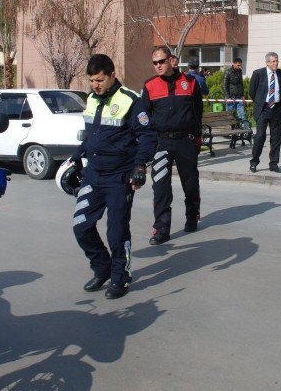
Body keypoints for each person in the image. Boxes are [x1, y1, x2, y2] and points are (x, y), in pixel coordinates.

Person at [69, 54, 157, 299]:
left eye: (99, 80)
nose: (95, 85)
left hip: (119, 178)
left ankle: (120, 278)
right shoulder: (92, 100)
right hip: (93, 175)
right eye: (91, 81)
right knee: (81, 226)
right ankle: (102, 268)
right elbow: (91, 137)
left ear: (111, 75)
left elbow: (148, 136)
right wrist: (76, 158)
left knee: (116, 232)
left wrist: (140, 166)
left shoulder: (130, 100)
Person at [142, 46, 203, 245]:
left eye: (161, 61)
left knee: (190, 184)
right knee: (160, 187)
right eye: (155, 63)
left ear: (171, 60)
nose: (158, 65)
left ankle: (192, 216)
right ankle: (161, 229)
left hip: (186, 141)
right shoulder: (149, 86)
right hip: (162, 143)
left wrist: (197, 139)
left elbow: (197, 112)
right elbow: (145, 117)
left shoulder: (191, 82)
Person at [248, 52, 281, 173]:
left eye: (277, 61)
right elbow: (252, 92)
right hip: (263, 108)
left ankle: (273, 164)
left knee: (276, 138)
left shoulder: (280, 74)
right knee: (260, 136)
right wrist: (260, 103)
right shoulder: (258, 73)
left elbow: (280, 90)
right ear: (267, 62)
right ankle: (254, 162)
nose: (276, 63)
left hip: (277, 109)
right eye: (273, 61)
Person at [222, 57, 246, 123]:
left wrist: (243, 95)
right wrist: (227, 97)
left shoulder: (240, 72)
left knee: (242, 114)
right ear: (234, 64)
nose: (239, 67)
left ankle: (244, 129)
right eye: (238, 65)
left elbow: (241, 84)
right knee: (229, 115)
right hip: (231, 97)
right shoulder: (228, 72)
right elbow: (224, 85)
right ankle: (229, 129)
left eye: (240, 65)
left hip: (239, 97)